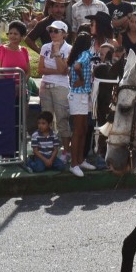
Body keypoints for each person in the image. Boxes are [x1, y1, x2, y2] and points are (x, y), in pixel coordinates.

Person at [37, 21, 72, 154]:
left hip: (61, 87)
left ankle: (66, 152)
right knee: (46, 118)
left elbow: (64, 71)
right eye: (50, 30)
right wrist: (58, 69)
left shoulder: (69, 48)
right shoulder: (45, 47)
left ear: (64, 34)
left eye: (56, 31)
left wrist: (57, 52)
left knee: (62, 119)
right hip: (45, 85)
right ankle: (49, 150)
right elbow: (40, 70)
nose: (52, 33)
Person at [66, 31, 96, 177]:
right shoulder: (85, 54)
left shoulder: (78, 53)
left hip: (82, 95)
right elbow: (78, 67)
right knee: (78, 131)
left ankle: (80, 160)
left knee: (83, 129)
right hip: (79, 96)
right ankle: (74, 164)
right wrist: (81, 79)